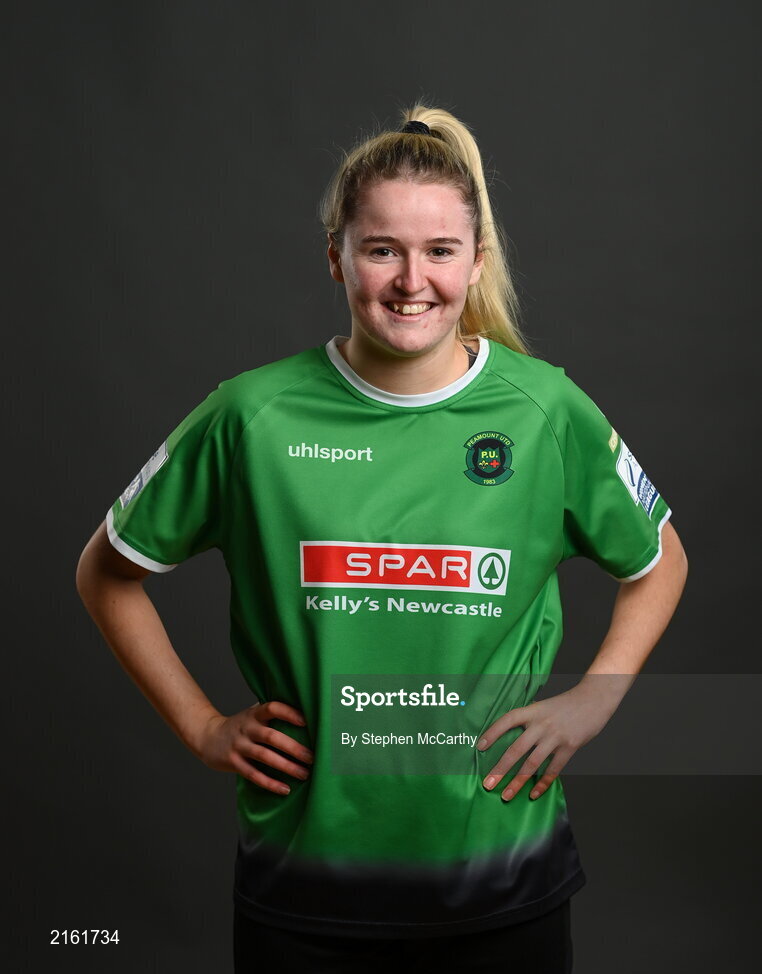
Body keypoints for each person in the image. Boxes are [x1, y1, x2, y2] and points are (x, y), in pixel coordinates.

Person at [76, 104, 688, 973]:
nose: (412, 280)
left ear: (476, 262)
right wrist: (204, 727)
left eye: (440, 250)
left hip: (502, 873)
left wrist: (597, 698)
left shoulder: (545, 410)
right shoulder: (253, 416)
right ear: (336, 255)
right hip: (306, 879)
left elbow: (664, 559)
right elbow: (105, 573)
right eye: (381, 249)